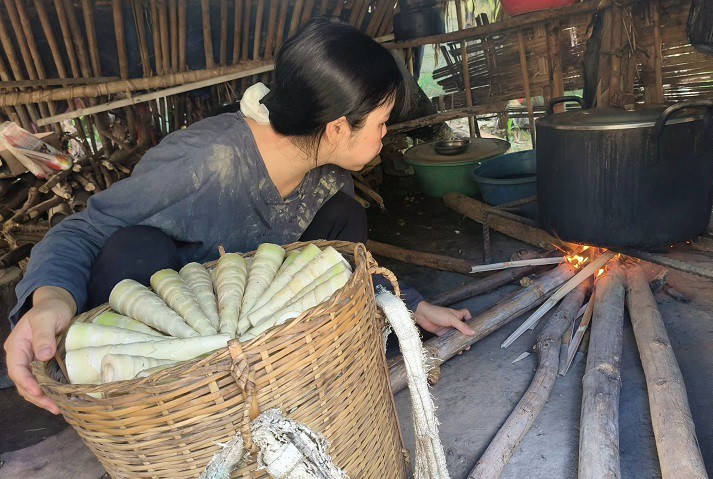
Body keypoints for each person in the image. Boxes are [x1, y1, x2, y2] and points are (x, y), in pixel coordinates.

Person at [3, 18, 474, 414]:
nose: (385, 135)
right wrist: (50, 303)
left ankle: (288, 373)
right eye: (381, 123)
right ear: (336, 128)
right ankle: (148, 406)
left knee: (343, 223)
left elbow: (348, 264)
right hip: (166, 344)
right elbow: (80, 232)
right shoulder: (205, 164)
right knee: (133, 249)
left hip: (246, 332)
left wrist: (406, 306)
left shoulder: (328, 179)